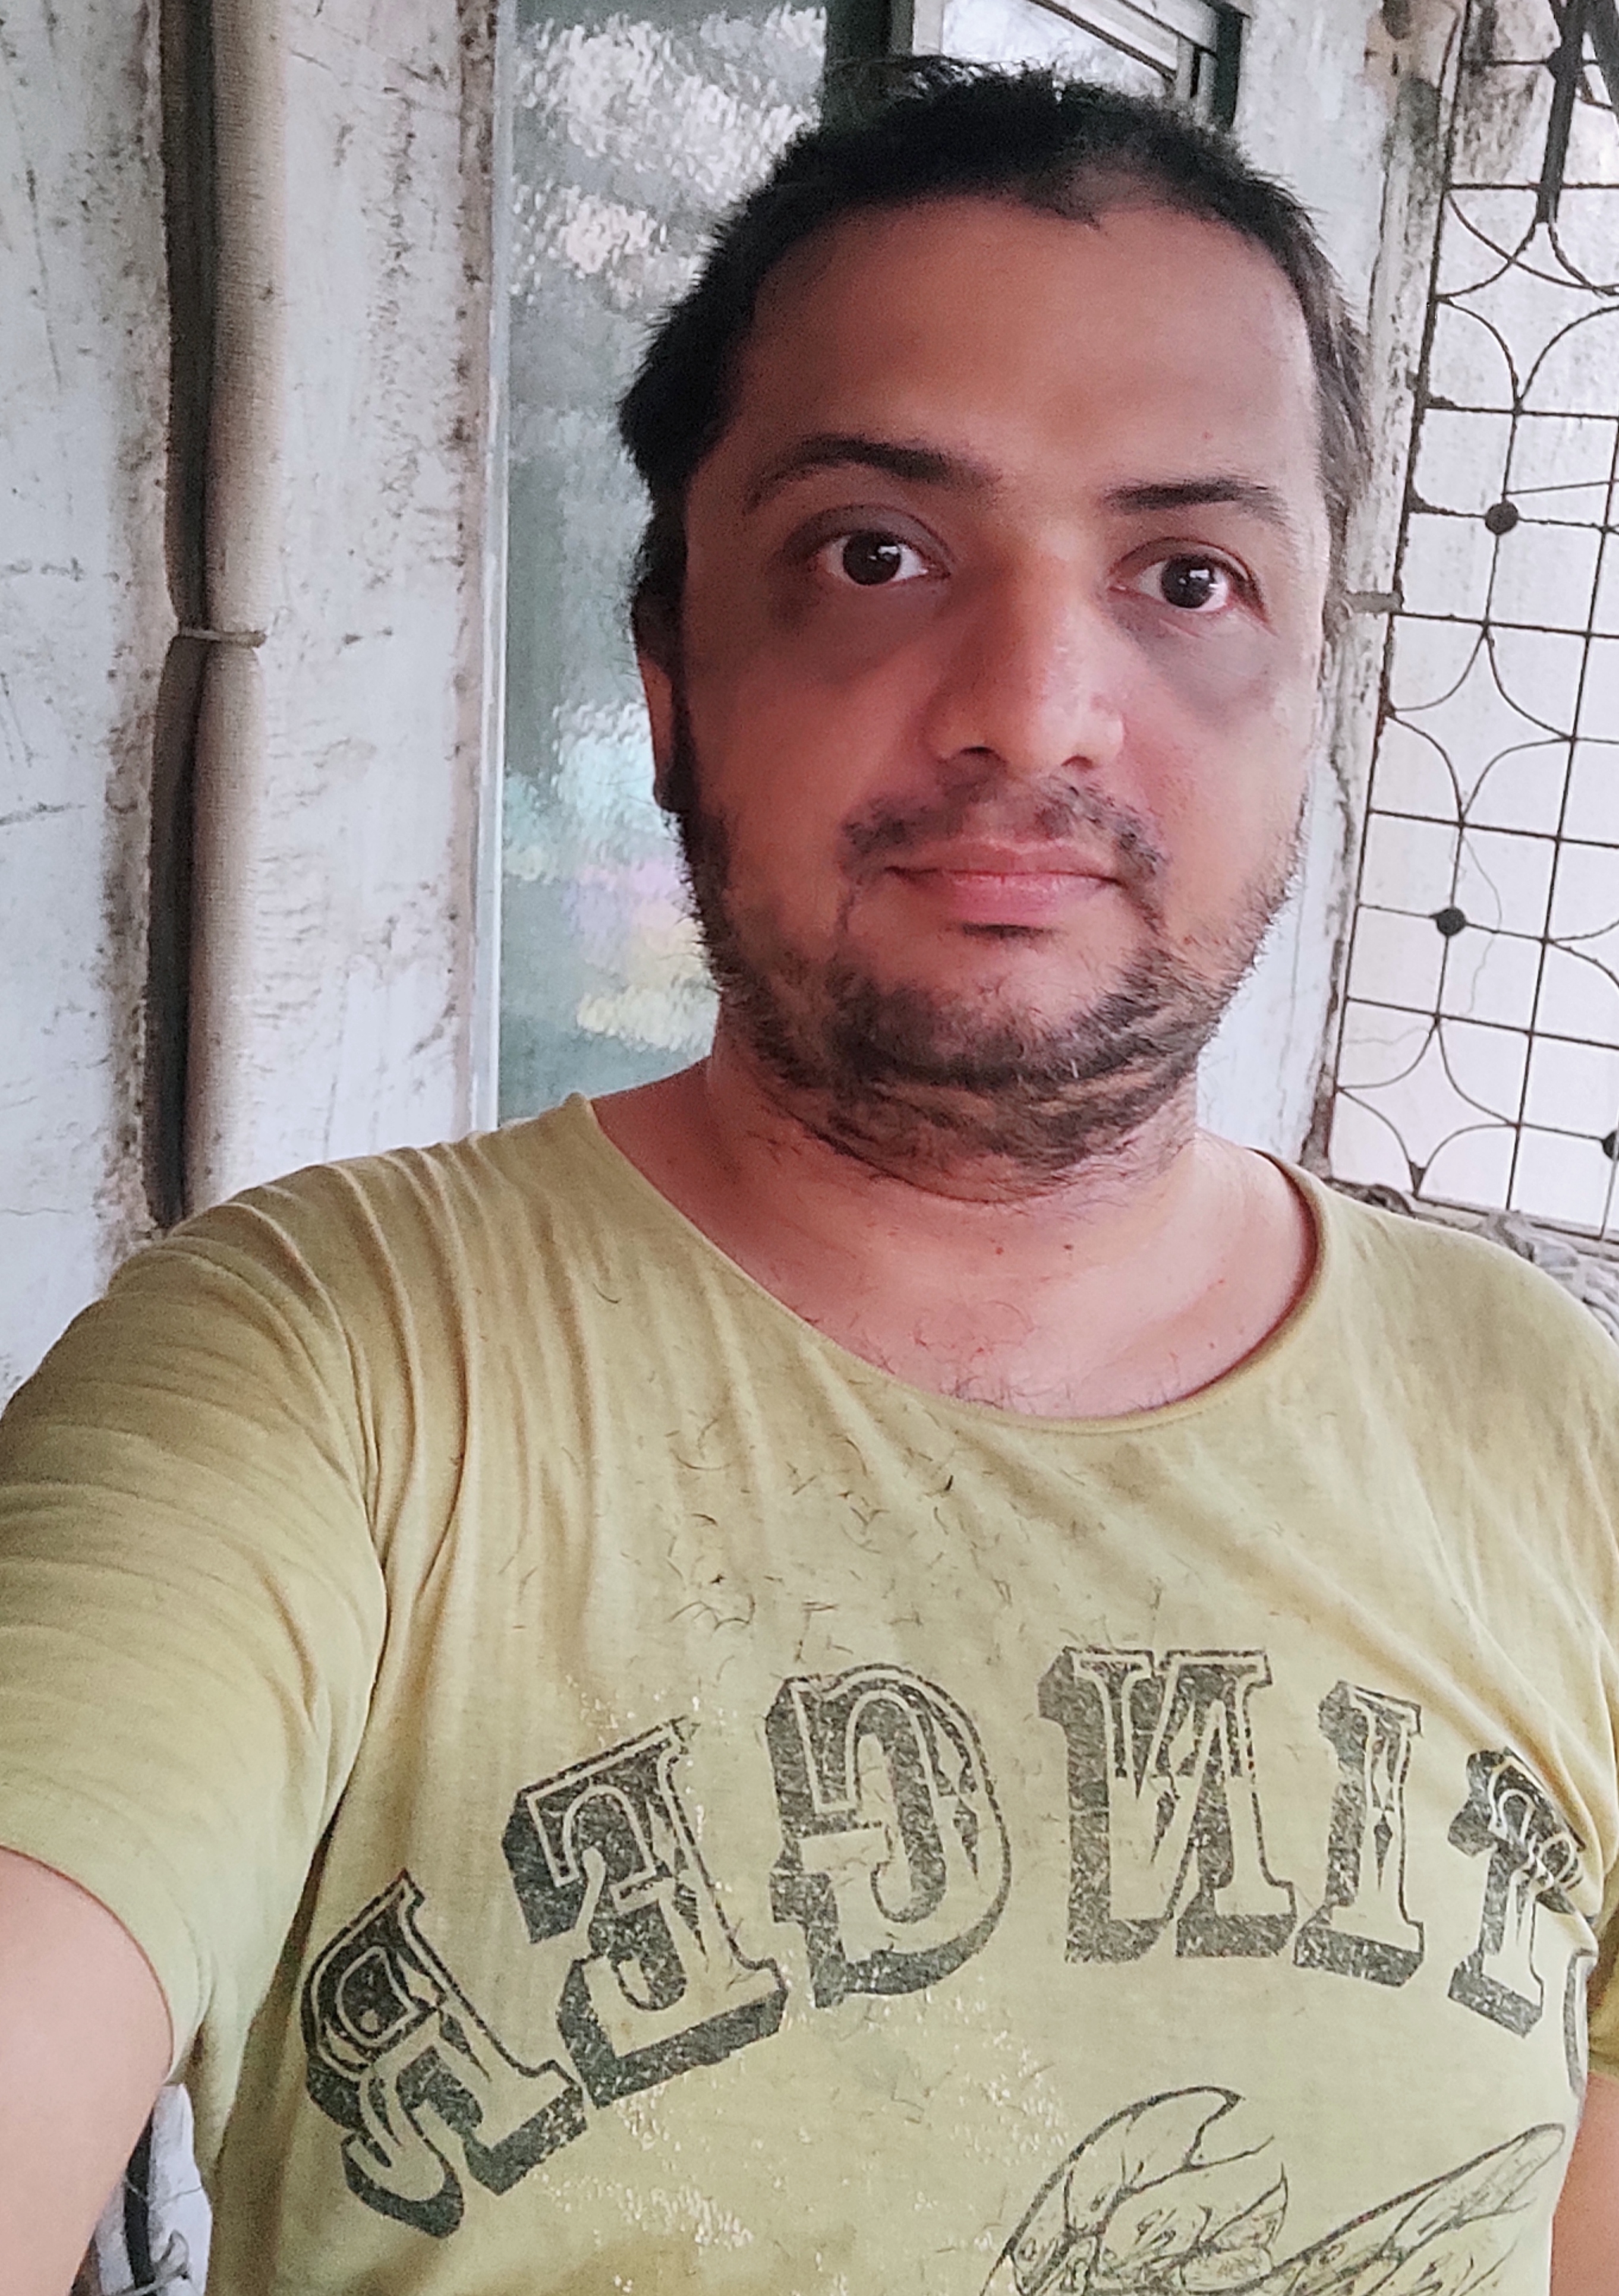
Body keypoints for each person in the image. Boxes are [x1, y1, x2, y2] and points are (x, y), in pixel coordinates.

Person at [1, 63, 1617, 2296]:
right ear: (671, 679)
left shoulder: (1551, 1425)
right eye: (876, 554)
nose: (1035, 706)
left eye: (1187, 575)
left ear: (1306, 700)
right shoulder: (324, 1383)